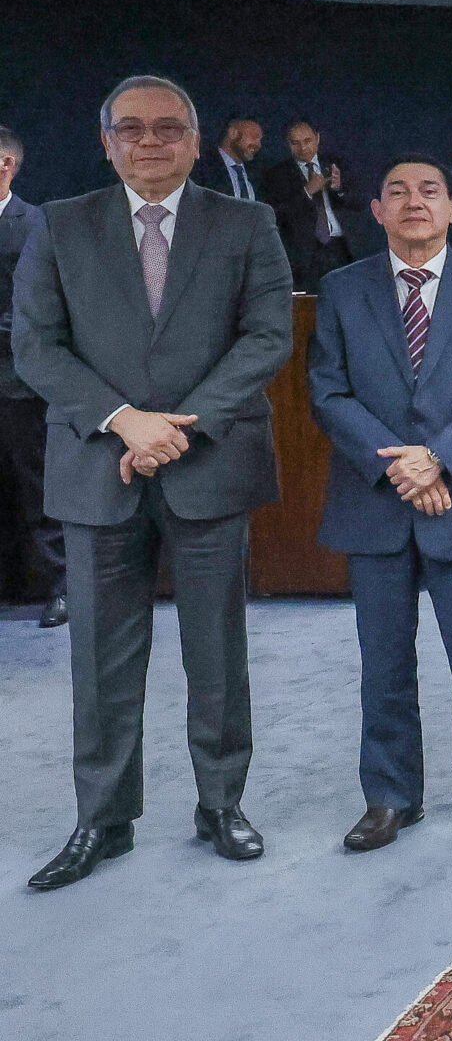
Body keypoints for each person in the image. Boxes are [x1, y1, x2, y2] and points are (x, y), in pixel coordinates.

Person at [16, 77, 294, 891]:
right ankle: (103, 820)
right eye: (130, 130)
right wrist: (123, 420)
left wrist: (178, 425)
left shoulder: (248, 223)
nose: (150, 142)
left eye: (168, 129)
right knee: (100, 657)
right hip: (97, 466)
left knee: (217, 649)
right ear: (105, 141)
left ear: (196, 140)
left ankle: (220, 805)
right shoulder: (60, 225)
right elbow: (36, 346)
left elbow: (266, 336)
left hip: (208, 462)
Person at [308, 154, 452, 851]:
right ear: (374, 210)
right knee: (383, 662)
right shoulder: (342, 291)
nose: (414, 202)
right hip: (375, 505)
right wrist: (399, 465)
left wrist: (435, 458)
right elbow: (329, 392)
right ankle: (389, 796)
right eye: (396, 191)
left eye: (429, 191)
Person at [0, 125, 69, 627]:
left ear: (10, 166)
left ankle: (59, 587)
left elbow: (37, 306)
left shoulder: (34, 224)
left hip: (16, 378)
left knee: (34, 485)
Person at [258, 119, 361, 291]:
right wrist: (306, 191)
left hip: (342, 248)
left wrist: (339, 188)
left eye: (307, 141)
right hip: (305, 255)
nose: (302, 148)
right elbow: (277, 215)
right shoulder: (276, 174)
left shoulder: (338, 164)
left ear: (318, 138)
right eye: (295, 143)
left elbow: (359, 203)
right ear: (287, 144)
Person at [195, 118, 263, 201]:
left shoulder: (259, 173)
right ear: (233, 133)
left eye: (260, 140)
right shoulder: (203, 168)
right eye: (253, 136)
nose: (258, 144)